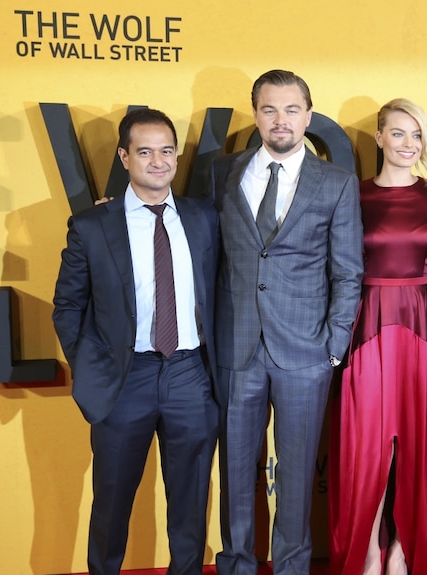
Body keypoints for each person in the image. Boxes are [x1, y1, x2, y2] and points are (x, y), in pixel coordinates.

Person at [53, 108, 220, 575]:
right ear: (125, 157)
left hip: (190, 373)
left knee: (190, 503)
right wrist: (92, 365)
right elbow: (67, 306)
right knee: (111, 503)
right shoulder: (92, 225)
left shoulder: (204, 218)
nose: (158, 161)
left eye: (166, 150)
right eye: (144, 151)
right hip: (125, 378)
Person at [209, 69, 363, 575]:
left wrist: (333, 348)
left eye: (292, 110)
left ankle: (293, 566)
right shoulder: (222, 173)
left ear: (308, 116)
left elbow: (347, 271)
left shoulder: (337, 183)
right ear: (255, 115)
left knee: (296, 476)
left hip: (306, 354)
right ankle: (236, 564)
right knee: (234, 471)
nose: (281, 120)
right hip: (237, 348)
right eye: (270, 109)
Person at [329, 98, 427, 575]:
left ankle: (404, 551)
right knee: (367, 451)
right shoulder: (352, 194)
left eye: (417, 135)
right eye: (399, 133)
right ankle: (366, 550)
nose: (409, 144)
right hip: (365, 328)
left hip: (425, 327)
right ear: (379, 138)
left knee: (423, 446)